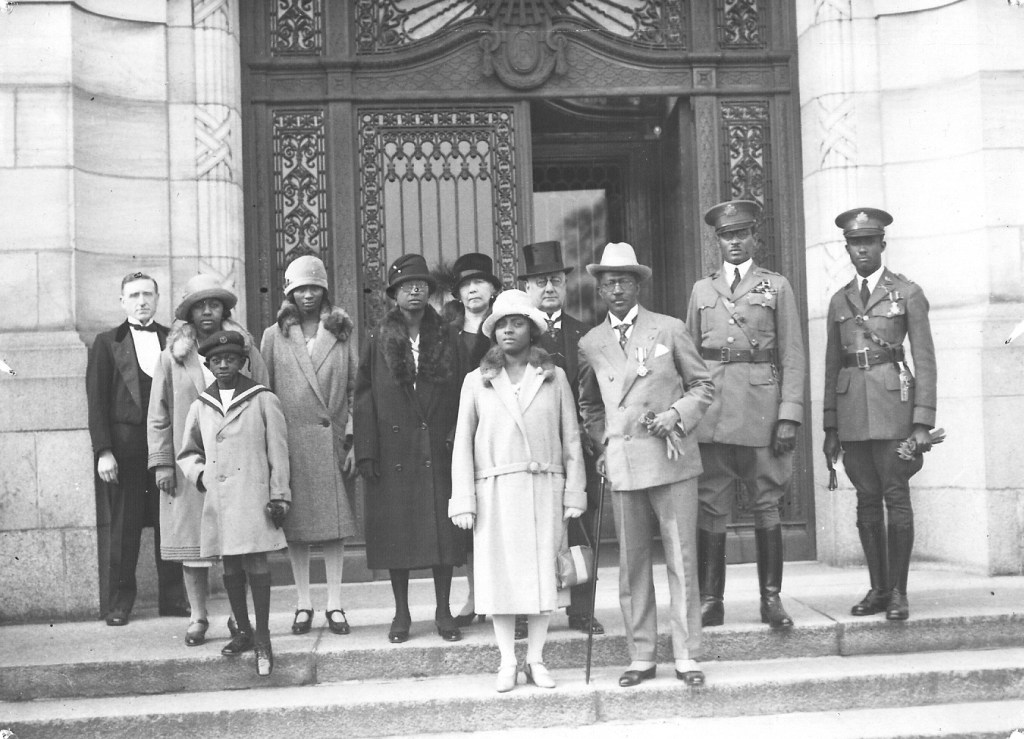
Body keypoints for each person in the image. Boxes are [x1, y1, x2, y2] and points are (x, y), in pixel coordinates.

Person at [578, 242, 713, 688]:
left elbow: (702, 386)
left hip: (671, 458)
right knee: (632, 563)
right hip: (624, 464)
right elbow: (590, 405)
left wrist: (675, 416)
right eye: (608, 282)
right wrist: (604, 443)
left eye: (625, 281)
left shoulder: (669, 329)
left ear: (639, 284)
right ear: (599, 290)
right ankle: (641, 654)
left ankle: (687, 655)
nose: (616, 289)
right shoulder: (591, 343)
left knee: (681, 558)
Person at [450, 289, 587, 692]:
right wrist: (464, 500)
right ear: (493, 332)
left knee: (544, 579)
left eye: (518, 323)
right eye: (502, 324)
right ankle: (508, 661)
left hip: (544, 486)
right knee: (503, 580)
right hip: (496, 491)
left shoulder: (553, 376)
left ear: (533, 329)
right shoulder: (477, 381)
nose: (509, 330)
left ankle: (537, 658)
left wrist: (574, 492)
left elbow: (572, 438)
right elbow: (462, 443)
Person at [686, 200, 806, 630]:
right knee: (710, 503)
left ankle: (770, 600)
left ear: (755, 235)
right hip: (713, 410)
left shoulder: (776, 286)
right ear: (716, 240)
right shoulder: (703, 289)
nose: (733, 242)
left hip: (760, 408)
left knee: (766, 502)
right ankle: (710, 600)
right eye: (725, 235)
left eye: (741, 234)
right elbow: (690, 357)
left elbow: (792, 353)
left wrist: (789, 414)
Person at [823, 208, 937, 621]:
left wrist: (922, 421)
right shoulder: (840, 300)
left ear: (882, 246)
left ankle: (900, 594)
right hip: (853, 413)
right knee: (866, 500)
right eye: (855, 243)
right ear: (848, 249)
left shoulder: (906, 293)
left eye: (869, 242)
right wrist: (830, 427)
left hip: (894, 409)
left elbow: (924, 358)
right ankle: (878, 589)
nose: (862, 249)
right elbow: (832, 367)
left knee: (896, 496)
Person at [148, 274, 269, 649]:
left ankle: (239, 615)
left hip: (236, 466)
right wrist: (164, 462)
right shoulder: (172, 357)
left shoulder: (244, 349)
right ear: (188, 312)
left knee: (239, 542)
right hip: (192, 467)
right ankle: (198, 615)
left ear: (224, 309)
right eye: (199, 305)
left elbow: (265, 396)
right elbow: (159, 413)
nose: (206, 311)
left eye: (213, 304)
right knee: (192, 544)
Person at [353, 253, 466, 644]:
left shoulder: (447, 336)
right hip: (393, 450)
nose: (414, 292)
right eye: (405, 286)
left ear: (430, 293)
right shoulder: (377, 337)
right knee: (397, 534)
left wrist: (457, 436)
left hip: (438, 447)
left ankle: (443, 609)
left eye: (420, 286)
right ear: (393, 295)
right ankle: (401, 612)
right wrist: (366, 450)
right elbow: (363, 397)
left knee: (443, 534)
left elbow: (463, 392)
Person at [177, 330, 291, 676]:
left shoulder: (261, 399)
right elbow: (188, 451)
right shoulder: (201, 405)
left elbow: (279, 453)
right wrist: (201, 476)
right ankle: (242, 629)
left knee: (256, 564)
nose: (224, 365)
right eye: (216, 360)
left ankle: (264, 637)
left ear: (244, 362)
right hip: (222, 502)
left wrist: (279, 494)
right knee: (230, 567)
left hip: (254, 499)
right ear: (208, 365)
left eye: (231, 359)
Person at [261, 255, 358, 637]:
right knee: (297, 527)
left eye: (314, 287)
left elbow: (354, 389)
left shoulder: (341, 334)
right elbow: (264, 392)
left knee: (334, 528)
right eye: (299, 288)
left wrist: (352, 438)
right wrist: (270, 448)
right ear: (289, 293)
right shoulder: (274, 336)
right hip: (291, 444)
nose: (307, 295)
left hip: (330, 439)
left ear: (324, 291)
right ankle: (303, 602)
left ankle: (335, 603)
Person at [86, 272, 186, 626]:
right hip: (124, 452)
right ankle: (119, 604)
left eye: (147, 294)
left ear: (157, 299)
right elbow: (96, 402)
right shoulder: (106, 342)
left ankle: (173, 599)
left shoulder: (172, 340)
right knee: (124, 527)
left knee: (169, 522)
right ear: (122, 301)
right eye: (134, 295)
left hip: (166, 449)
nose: (141, 301)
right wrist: (103, 451)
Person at [519, 240, 604, 636]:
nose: (549, 288)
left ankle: (581, 610)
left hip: (576, 449)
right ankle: (524, 611)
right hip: (529, 451)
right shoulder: (514, 336)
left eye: (555, 280)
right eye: (539, 282)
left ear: (565, 285)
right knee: (526, 529)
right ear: (528, 289)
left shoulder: (585, 334)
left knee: (579, 525)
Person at [447, 252, 502, 629]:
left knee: (500, 515)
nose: (472, 290)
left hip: (498, 435)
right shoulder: (445, 333)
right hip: (455, 434)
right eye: (465, 285)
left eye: (479, 282)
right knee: (466, 520)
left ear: (493, 288)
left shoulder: (505, 329)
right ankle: (473, 593)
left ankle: (501, 594)